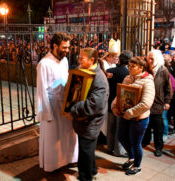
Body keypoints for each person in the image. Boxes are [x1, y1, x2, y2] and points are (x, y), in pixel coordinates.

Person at [36, 32, 78, 172]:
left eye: (68, 47)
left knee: (68, 134)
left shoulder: (65, 60)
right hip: (52, 105)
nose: (67, 50)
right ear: (55, 46)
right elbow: (42, 90)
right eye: (64, 47)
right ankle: (53, 165)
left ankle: (69, 159)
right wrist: (46, 113)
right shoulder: (44, 64)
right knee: (53, 137)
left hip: (65, 103)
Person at [65, 48, 109, 181]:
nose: (79, 60)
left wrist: (73, 109)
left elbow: (94, 104)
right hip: (83, 119)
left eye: (82, 58)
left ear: (92, 60)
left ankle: (85, 177)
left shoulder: (99, 79)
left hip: (91, 121)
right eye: (79, 57)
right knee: (87, 148)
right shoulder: (84, 70)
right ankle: (93, 169)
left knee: (85, 150)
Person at [112, 56, 155, 175]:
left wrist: (130, 113)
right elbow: (120, 94)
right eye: (129, 66)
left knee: (135, 143)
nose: (129, 68)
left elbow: (146, 103)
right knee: (121, 137)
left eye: (133, 66)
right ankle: (131, 158)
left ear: (141, 68)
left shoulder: (147, 81)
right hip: (125, 115)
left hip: (138, 118)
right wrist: (115, 106)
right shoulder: (127, 77)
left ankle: (137, 166)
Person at [142, 50, 172, 157]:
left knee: (158, 128)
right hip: (146, 102)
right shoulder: (146, 69)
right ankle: (145, 141)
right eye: (148, 58)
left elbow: (168, 88)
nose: (149, 61)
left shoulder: (163, 70)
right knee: (147, 124)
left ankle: (159, 147)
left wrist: (167, 101)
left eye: (152, 58)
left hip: (158, 103)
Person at [106, 50, 132, 157]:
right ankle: (118, 151)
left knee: (110, 127)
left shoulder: (110, 70)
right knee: (119, 128)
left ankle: (109, 147)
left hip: (110, 101)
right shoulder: (128, 74)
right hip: (121, 103)